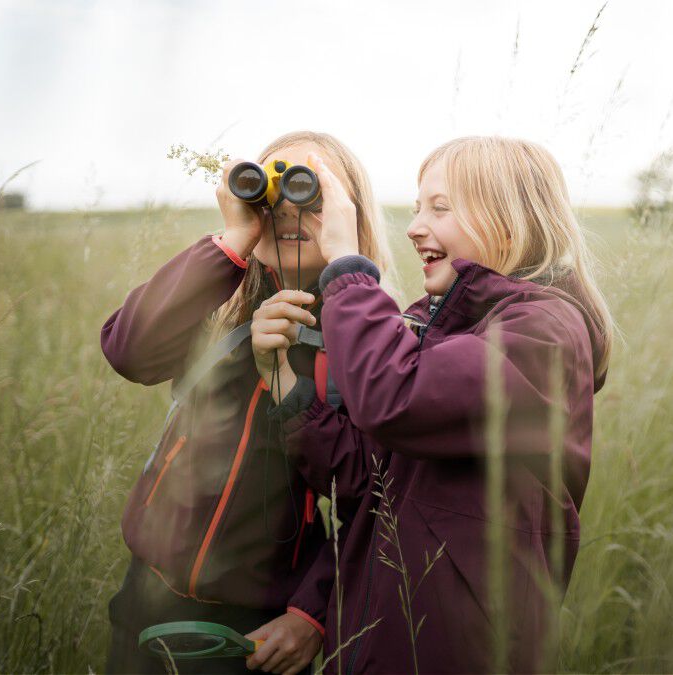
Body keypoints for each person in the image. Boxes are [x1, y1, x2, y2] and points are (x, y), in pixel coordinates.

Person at [257, 136, 613, 673]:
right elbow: (364, 477)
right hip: (378, 642)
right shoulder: (444, 325)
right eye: (418, 206)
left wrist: (349, 270)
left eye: (440, 208)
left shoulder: (543, 335)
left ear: (509, 222)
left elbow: (393, 399)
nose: (414, 226)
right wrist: (285, 387)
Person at [100, 131, 394, 675]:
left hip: (256, 629)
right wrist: (234, 237)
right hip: (146, 595)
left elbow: (376, 497)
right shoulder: (219, 301)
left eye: (312, 194)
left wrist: (312, 612)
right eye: (270, 193)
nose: (287, 211)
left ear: (348, 214)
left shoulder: (370, 334)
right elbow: (129, 351)